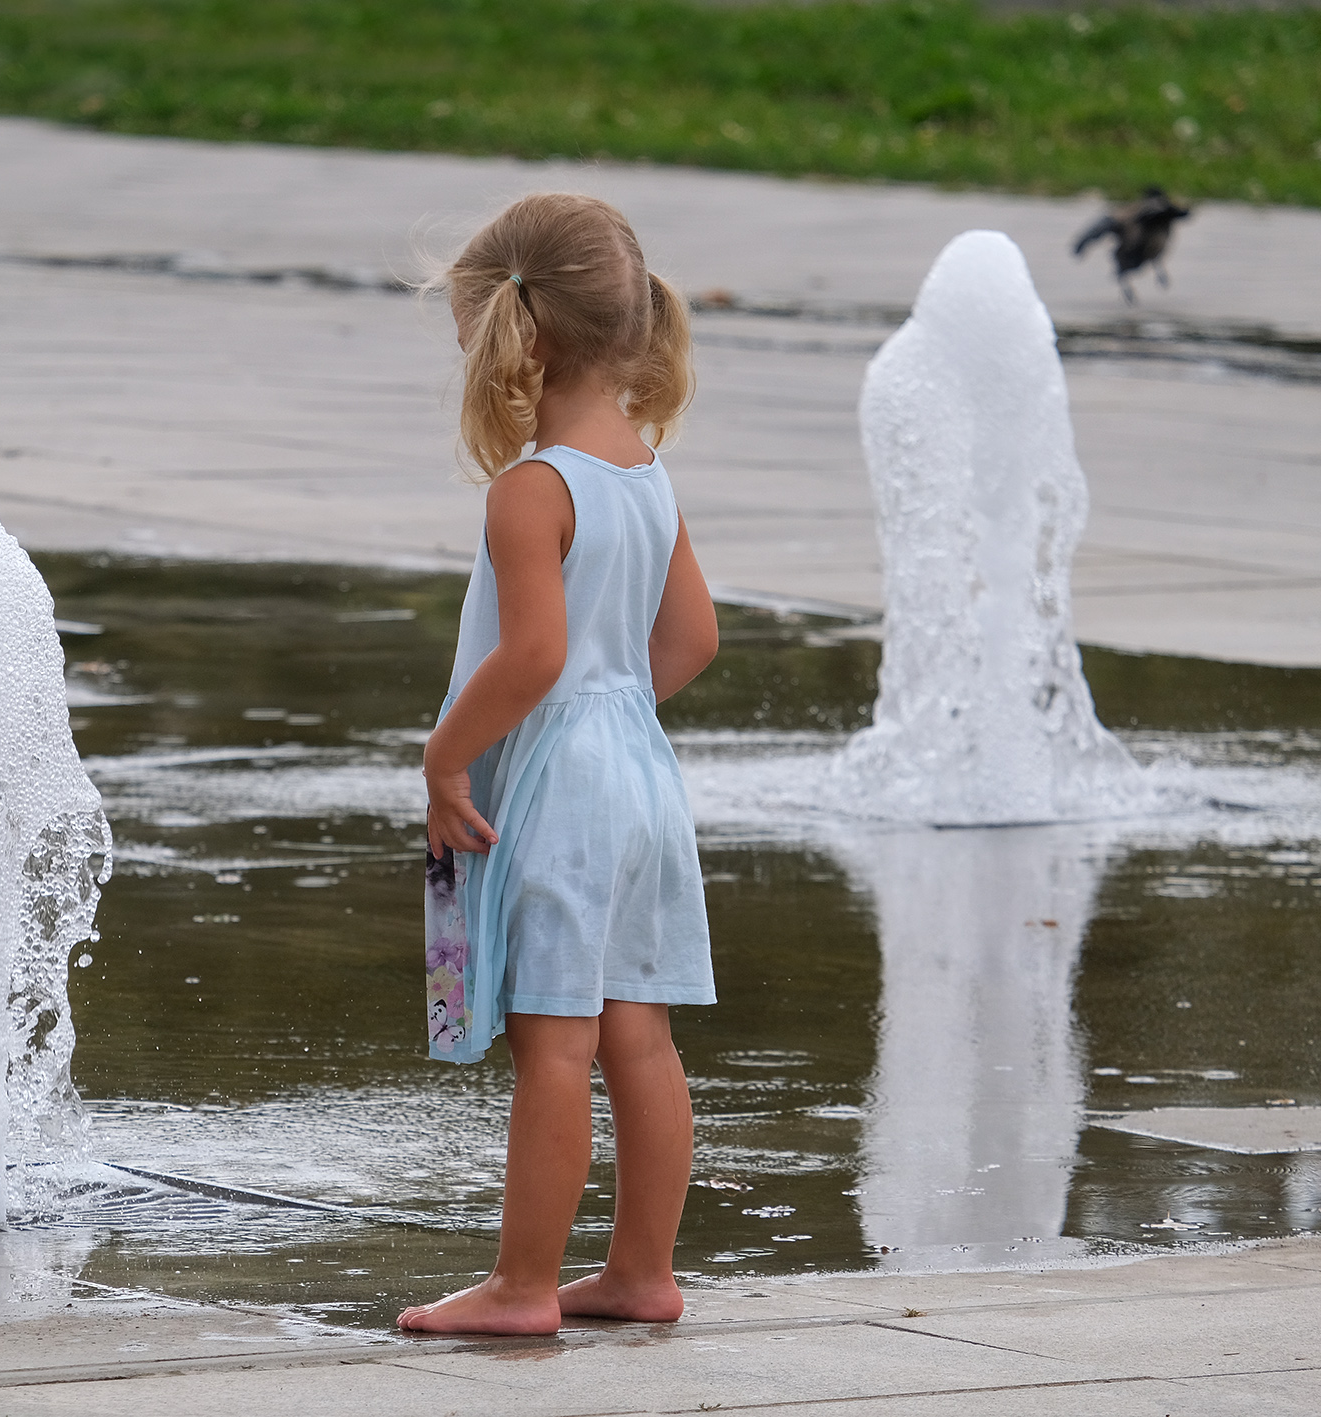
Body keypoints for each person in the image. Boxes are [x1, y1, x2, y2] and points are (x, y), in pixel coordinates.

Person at [402, 193, 719, 1336]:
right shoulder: (644, 471)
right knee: (638, 1033)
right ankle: (641, 1271)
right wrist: (609, 708)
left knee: (554, 1042)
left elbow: (531, 655)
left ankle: (521, 1284)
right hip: (638, 770)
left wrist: (448, 754)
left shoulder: (530, 491)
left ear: (514, 340)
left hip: (565, 784)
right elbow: (689, 642)